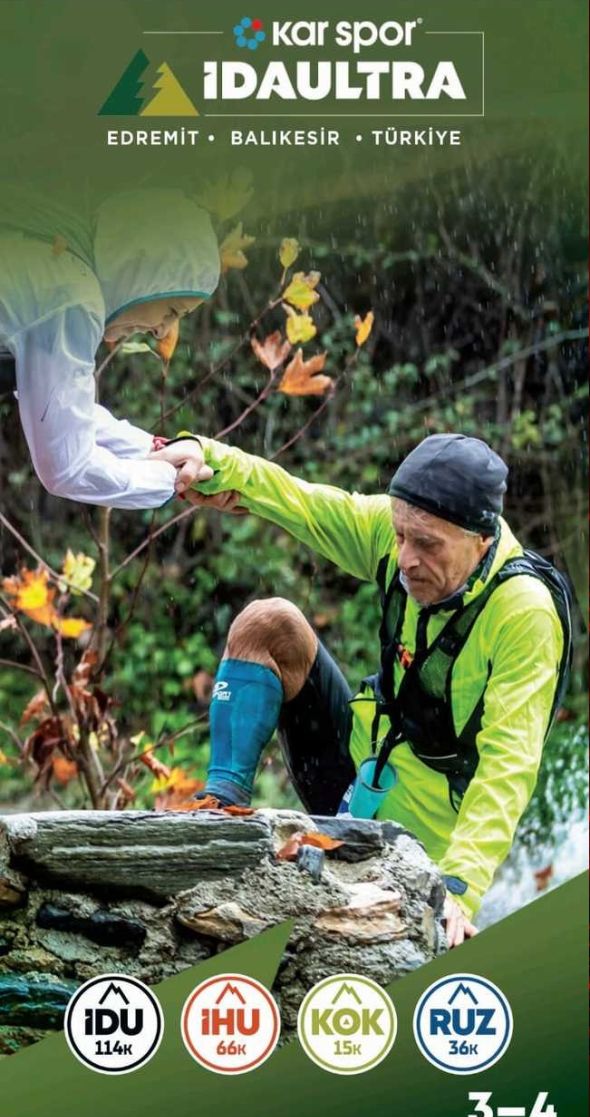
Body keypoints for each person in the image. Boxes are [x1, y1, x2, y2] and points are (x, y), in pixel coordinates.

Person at [151, 431, 570, 947]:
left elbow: (509, 763)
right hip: (350, 776)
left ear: (480, 539)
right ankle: (221, 811)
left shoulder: (522, 612)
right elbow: (302, 501)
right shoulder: (404, 536)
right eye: (399, 537)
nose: (406, 558)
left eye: (427, 545)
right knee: (269, 624)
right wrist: (210, 457)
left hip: (422, 845)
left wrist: (459, 884)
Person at [0, 188, 218, 507]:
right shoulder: (71, 295)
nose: (162, 331)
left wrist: (154, 449)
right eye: (172, 310)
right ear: (146, 274)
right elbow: (67, 469)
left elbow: (65, 410)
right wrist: (172, 481)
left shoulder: (52, 263)